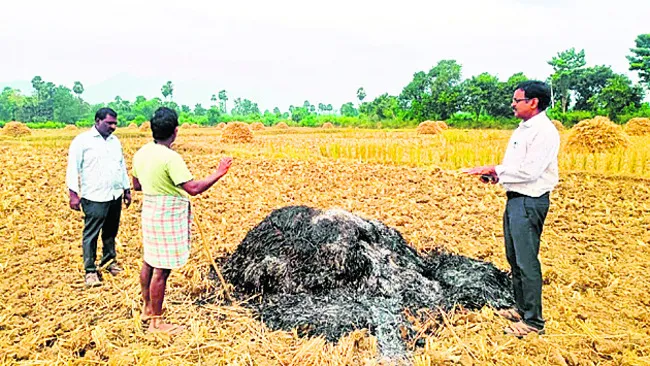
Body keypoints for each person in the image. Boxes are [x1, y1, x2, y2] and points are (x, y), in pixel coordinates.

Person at [464, 80, 559, 337]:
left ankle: (533, 322)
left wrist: (496, 169)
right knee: (514, 258)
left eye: (517, 100)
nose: (513, 105)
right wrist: (497, 177)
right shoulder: (524, 128)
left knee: (527, 262)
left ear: (533, 102)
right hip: (516, 198)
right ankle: (520, 308)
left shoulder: (544, 132)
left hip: (530, 201)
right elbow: (517, 168)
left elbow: (530, 171)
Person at [132, 107, 232, 334]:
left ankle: (147, 308)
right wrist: (219, 172)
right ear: (175, 131)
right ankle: (157, 322)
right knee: (162, 269)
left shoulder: (142, 153)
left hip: (150, 210)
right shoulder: (171, 158)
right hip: (167, 214)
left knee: (149, 260)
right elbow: (194, 188)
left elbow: (137, 185)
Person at [66, 107, 131, 287]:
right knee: (91, 234)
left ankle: (109, 262)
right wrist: (73, 194)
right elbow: (73, 168)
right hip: (94, 196)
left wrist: (126, 189)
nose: (113, 127)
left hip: (114, 194)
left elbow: (121, 165)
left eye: (115, 123)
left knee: (110, 232)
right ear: (97, 121)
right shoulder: (82, 141)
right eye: (109, 123)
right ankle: (90, 270)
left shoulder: (115, 141)